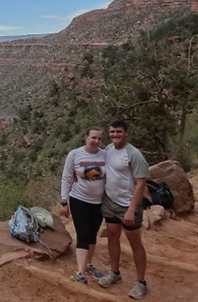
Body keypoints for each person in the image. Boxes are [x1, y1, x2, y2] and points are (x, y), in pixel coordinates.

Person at [98, 120, 149, 300]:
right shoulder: (109, 150)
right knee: (112, 236)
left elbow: (140, 184)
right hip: (110, 202)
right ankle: (115, 273)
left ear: (126, 133)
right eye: (112, 132)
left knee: (135, 242)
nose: (115, 135)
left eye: (119, 132)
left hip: (128, 205)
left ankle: (141, 282)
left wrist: (131, 209)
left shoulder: (134, 154)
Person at [60, 126, 107, 284]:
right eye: (93, 137)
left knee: (92, 234)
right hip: (79, 200)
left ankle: (89, 265)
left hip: (99, 202)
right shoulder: (75, 154)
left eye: (99, 138)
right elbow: (66, 177)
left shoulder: (105, 155)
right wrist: (64, 202)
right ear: (86, 137)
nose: (96, 141)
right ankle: (80, 272)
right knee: (82, 234)